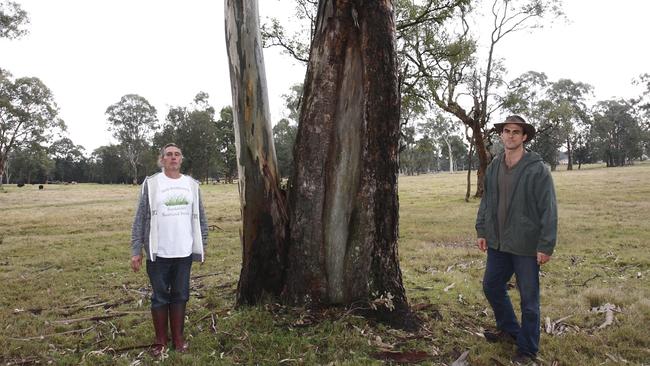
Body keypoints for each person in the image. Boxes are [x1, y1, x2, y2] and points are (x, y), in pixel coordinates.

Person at [475, 115, 557, 365]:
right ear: (501, 135)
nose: (510, 136)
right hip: (498, 242)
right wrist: (481, 229)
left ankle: (528, 349)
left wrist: (545, 245)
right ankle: (510, 329)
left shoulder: (537, 169)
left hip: (525, 245)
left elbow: (549, 208)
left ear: (524, 137)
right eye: (506, 131)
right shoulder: (495, 166)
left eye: (515, 132)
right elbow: (487, 200)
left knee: (529, 300)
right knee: (491, 285)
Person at [130, 143, 208, 356]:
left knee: (181, 295)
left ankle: (179, 339)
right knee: (160, 297)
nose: (173, 158)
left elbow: (200, 217)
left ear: (181, 159)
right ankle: (161, 341)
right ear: (162, 159)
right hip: (158, 252)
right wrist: (136, 250)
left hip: (183, 252)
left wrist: (203, 246)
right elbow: (140, 218)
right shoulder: (152, 184)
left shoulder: (191, 185)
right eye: (169, 155)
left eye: (177, 154)